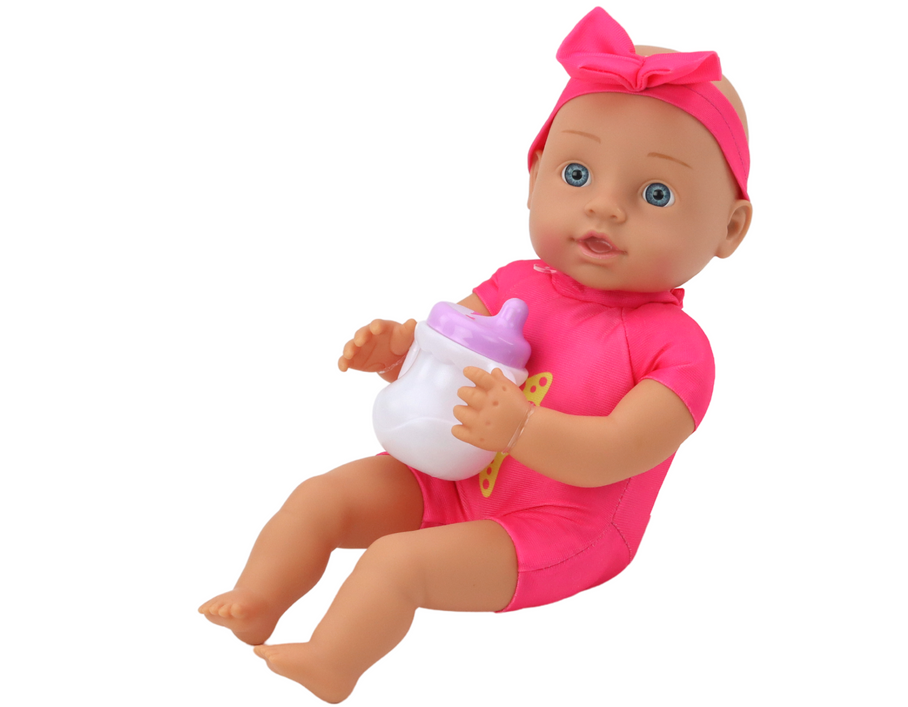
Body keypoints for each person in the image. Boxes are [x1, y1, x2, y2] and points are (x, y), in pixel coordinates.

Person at [199, 7, 752, 702]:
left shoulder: (679, 350)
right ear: (534, 175)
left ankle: (331, 662)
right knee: (321, 498)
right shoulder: (515, 283)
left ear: (729, 228)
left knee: (397, 563)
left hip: (557, 528)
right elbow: (449, 352)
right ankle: (256, 601)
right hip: (454, 472)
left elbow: (617, 450)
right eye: (577, 173)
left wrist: (521, 428)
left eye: (655, 193)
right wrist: (402, 352)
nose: (606, 208)